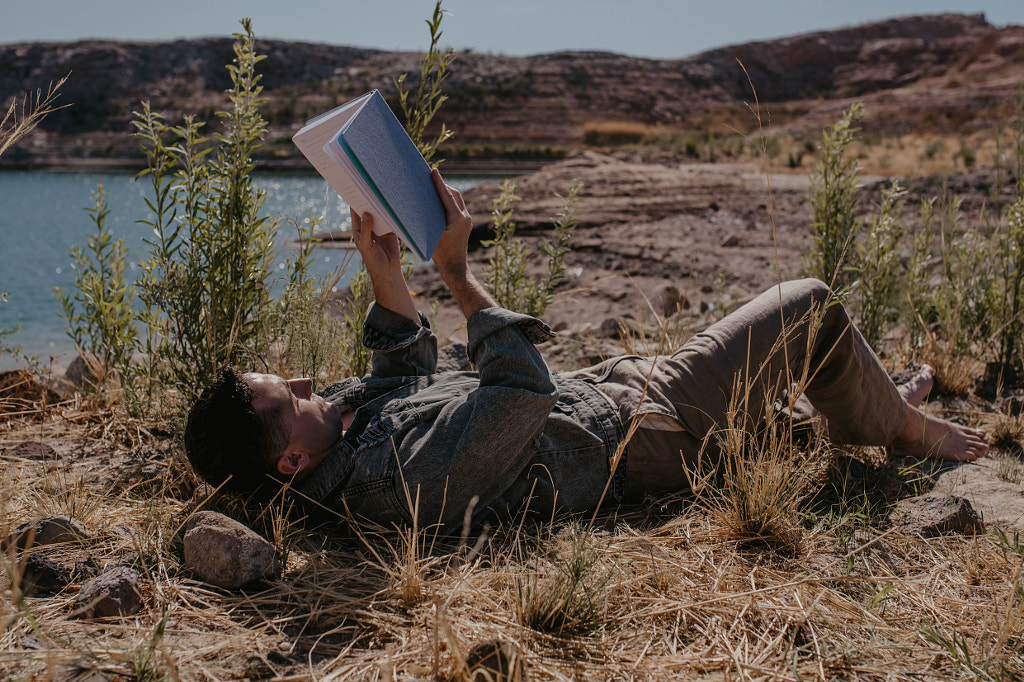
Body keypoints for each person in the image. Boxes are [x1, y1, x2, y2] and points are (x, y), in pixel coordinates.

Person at [184, 170, 989, 529]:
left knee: (794, 412)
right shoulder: (392, 477)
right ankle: (907, 433)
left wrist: (385, 269)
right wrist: (457, 275)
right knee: (811, 306)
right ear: (289, 462)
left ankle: (868, 411)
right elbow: (523, 391)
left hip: (622, 397)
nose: (300, 377)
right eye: (286, 394)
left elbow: (402, 373)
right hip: (650, 424)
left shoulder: (340, 438)